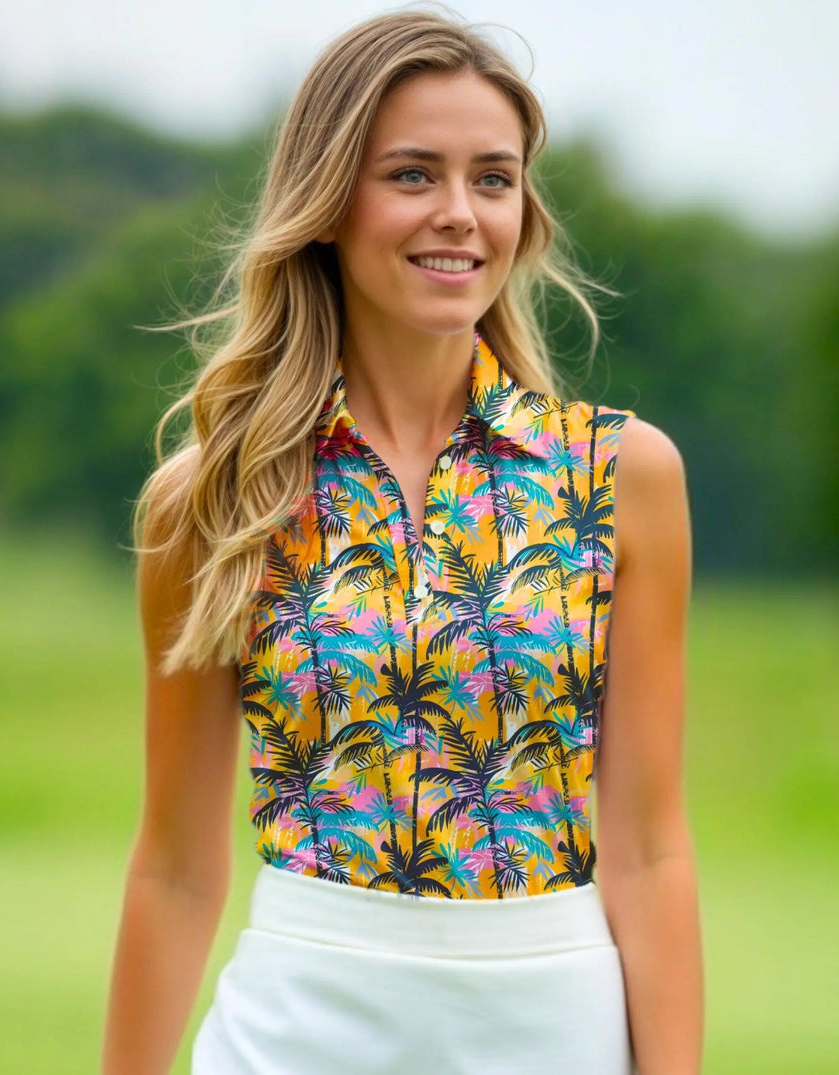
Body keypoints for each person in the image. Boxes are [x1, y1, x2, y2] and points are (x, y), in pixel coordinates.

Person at [101, 9, 703, 1075]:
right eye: (413, 175)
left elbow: (650, 850)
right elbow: (176, 868)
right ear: (327, 202)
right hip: (295, 1026)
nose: (461, 214)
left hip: (553, 1030)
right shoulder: (215, 498)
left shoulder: (622, 476)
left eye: (493, 178)